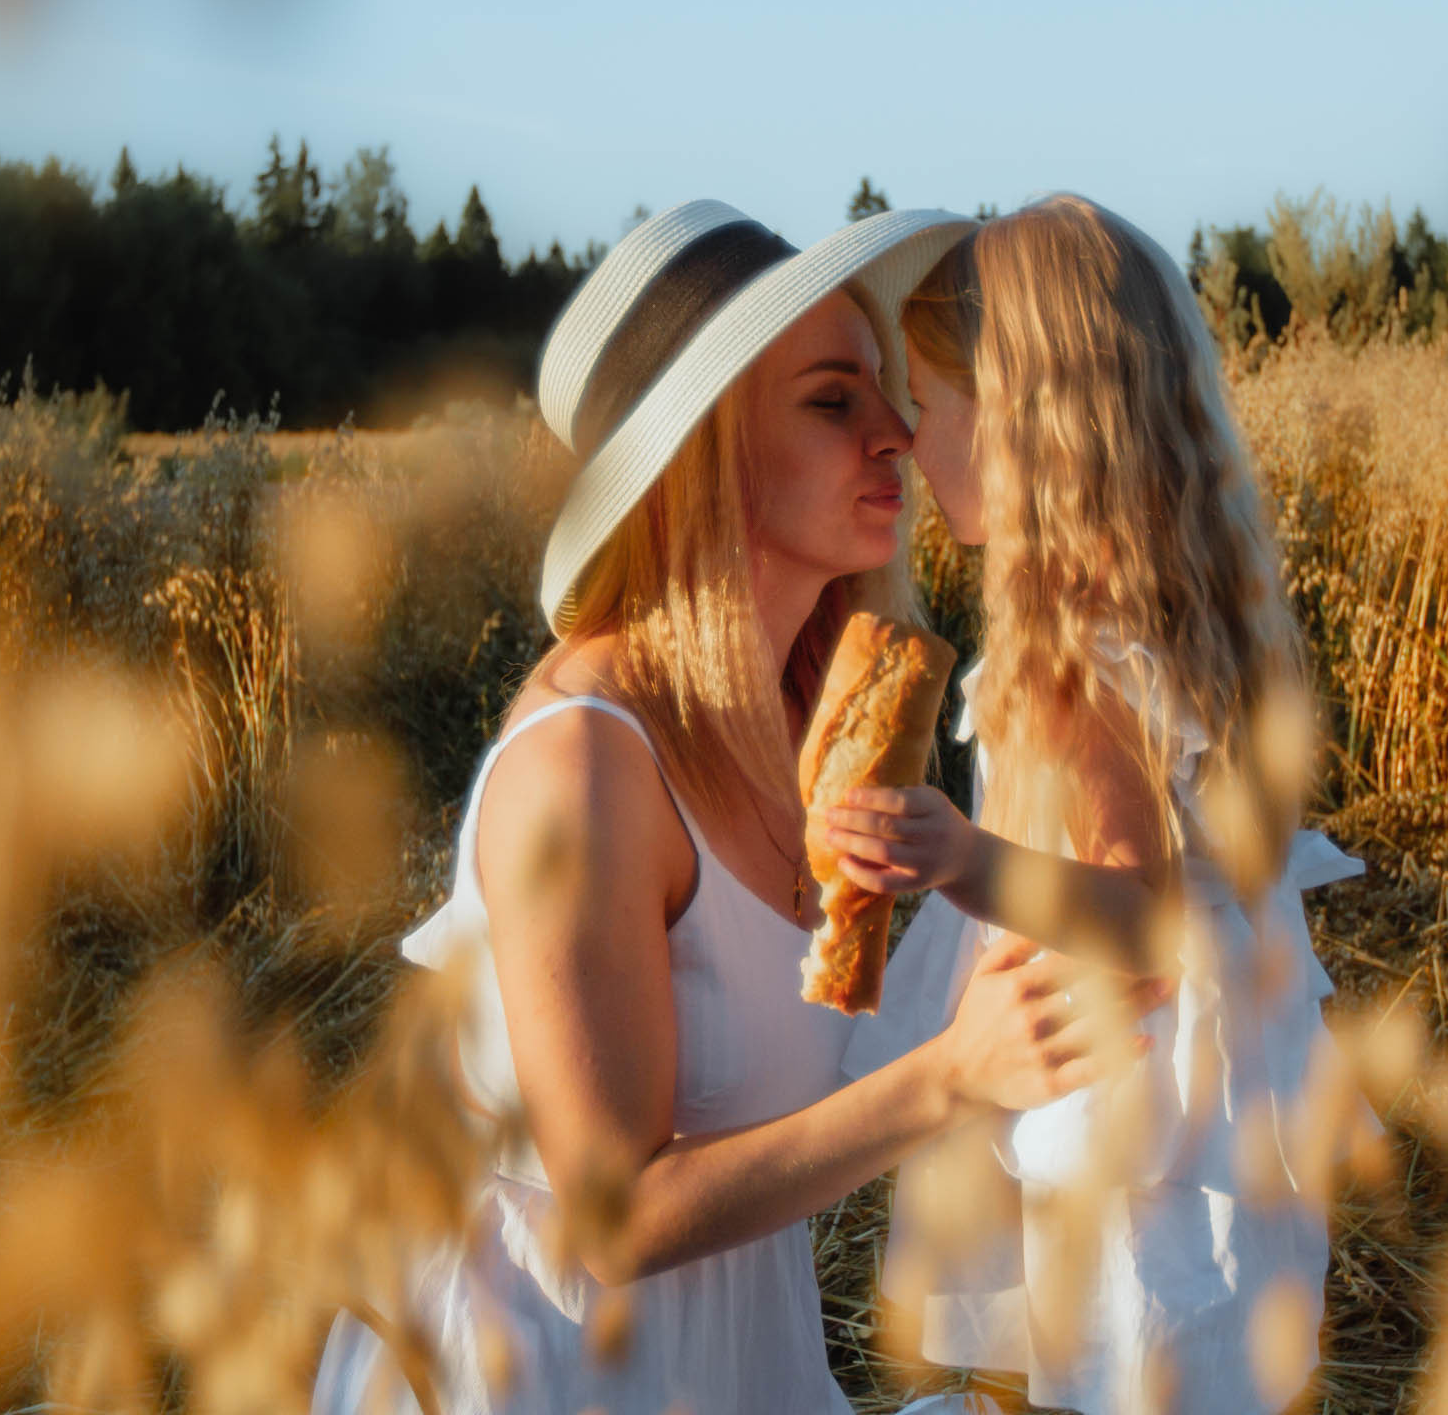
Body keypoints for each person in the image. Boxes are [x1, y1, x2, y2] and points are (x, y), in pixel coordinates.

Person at [312, 201, 1158, 1415]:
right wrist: (951, 1077)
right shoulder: (584, 768)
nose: (896, 430)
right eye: (832, 401)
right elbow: (608, 1217)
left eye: (886, 390)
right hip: (542, 1364)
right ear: (700, 458)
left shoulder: (822, 726)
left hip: (739, 1346)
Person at [831, 195, 1365, 1415]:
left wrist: (960, 856)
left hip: (1137, 1130)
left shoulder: (1077, 658)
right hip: (1215, 1108)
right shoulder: (1177, 620)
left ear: (1019, 422)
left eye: (926, 400)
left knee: (1125, 1363)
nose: (905, 437)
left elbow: (1139, 919)